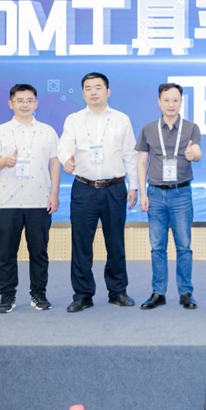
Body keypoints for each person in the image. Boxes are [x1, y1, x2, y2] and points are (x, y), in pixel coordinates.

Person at [58, 72, 139, 313]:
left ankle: (118, 291)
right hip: (84, 188)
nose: (93, 92)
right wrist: (66, 159)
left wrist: (134, 185)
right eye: (88, 88)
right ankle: (83, 295)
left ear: (108, 91)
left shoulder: (121, 119)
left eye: (98, 87)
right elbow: (64, 145)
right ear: (83, 93)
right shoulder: (74, 119)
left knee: (116, 243)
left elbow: (130, 154)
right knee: (81, 243)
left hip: (114, 188)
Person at [0, 83, 60, 313]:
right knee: (6, 253)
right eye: (20, 100)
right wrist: (4, 161)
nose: (25, 104)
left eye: (29, 100)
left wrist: (54, 193)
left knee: (39, 253)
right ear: (11, 104)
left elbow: (54, 162)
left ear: (36, 103)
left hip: (40, 201)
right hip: (7, 202)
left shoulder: (48, 131)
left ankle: (39, 294)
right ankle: (7, 296)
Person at [136, 83, 202, 310]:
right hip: (155, 193)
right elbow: (142, 162)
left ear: (181, 101)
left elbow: (197, 153)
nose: (171, 104)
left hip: (181, 193)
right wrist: (142, 193)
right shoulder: (148, 129)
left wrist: (194, 154)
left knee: (184, 246)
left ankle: (186, 292)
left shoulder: (191, 128)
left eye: (175, 100)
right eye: (167, 100)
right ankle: (158, 292)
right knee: (157, 247)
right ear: (159, 102)